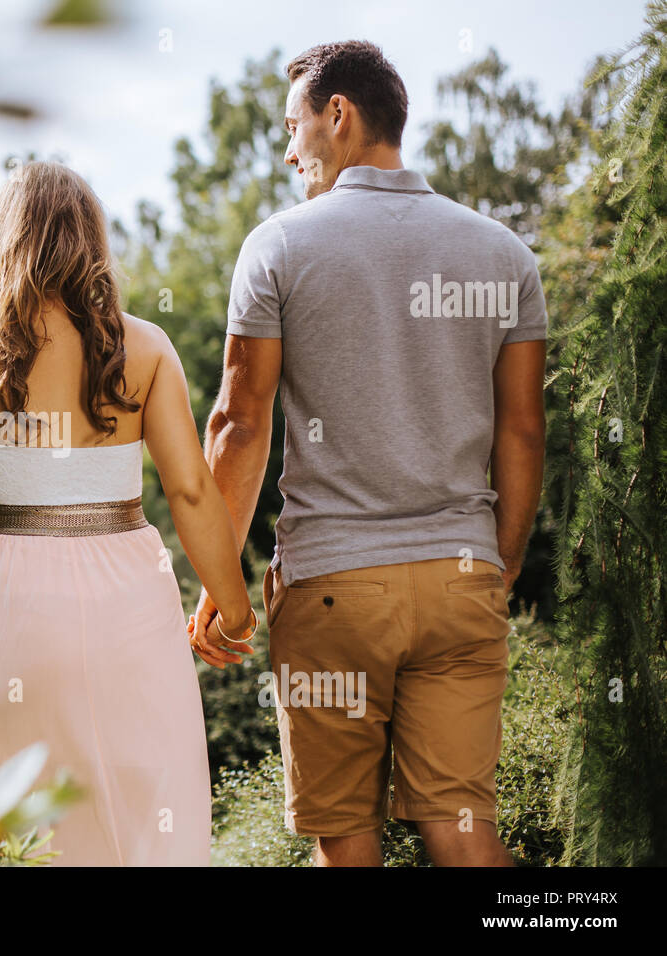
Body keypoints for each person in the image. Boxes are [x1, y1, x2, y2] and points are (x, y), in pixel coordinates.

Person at [190, 40, 548, 867]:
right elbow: (523, 432)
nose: (288, 151)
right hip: (462, 579)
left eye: (293, 127)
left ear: (338, 116)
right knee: (464, 835)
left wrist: (218, 578)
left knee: (347, 849)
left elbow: (240, 426)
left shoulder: (278, 248)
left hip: (333, 592)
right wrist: (496, 562)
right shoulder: (504, 254)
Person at [0, 160, 254, 865]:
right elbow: (190, 490)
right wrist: (231, 607)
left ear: (4, 242)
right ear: (91, 243)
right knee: (142, 812)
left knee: (5, 822)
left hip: (1, 613)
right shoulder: (147, 348)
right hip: (128, 611)